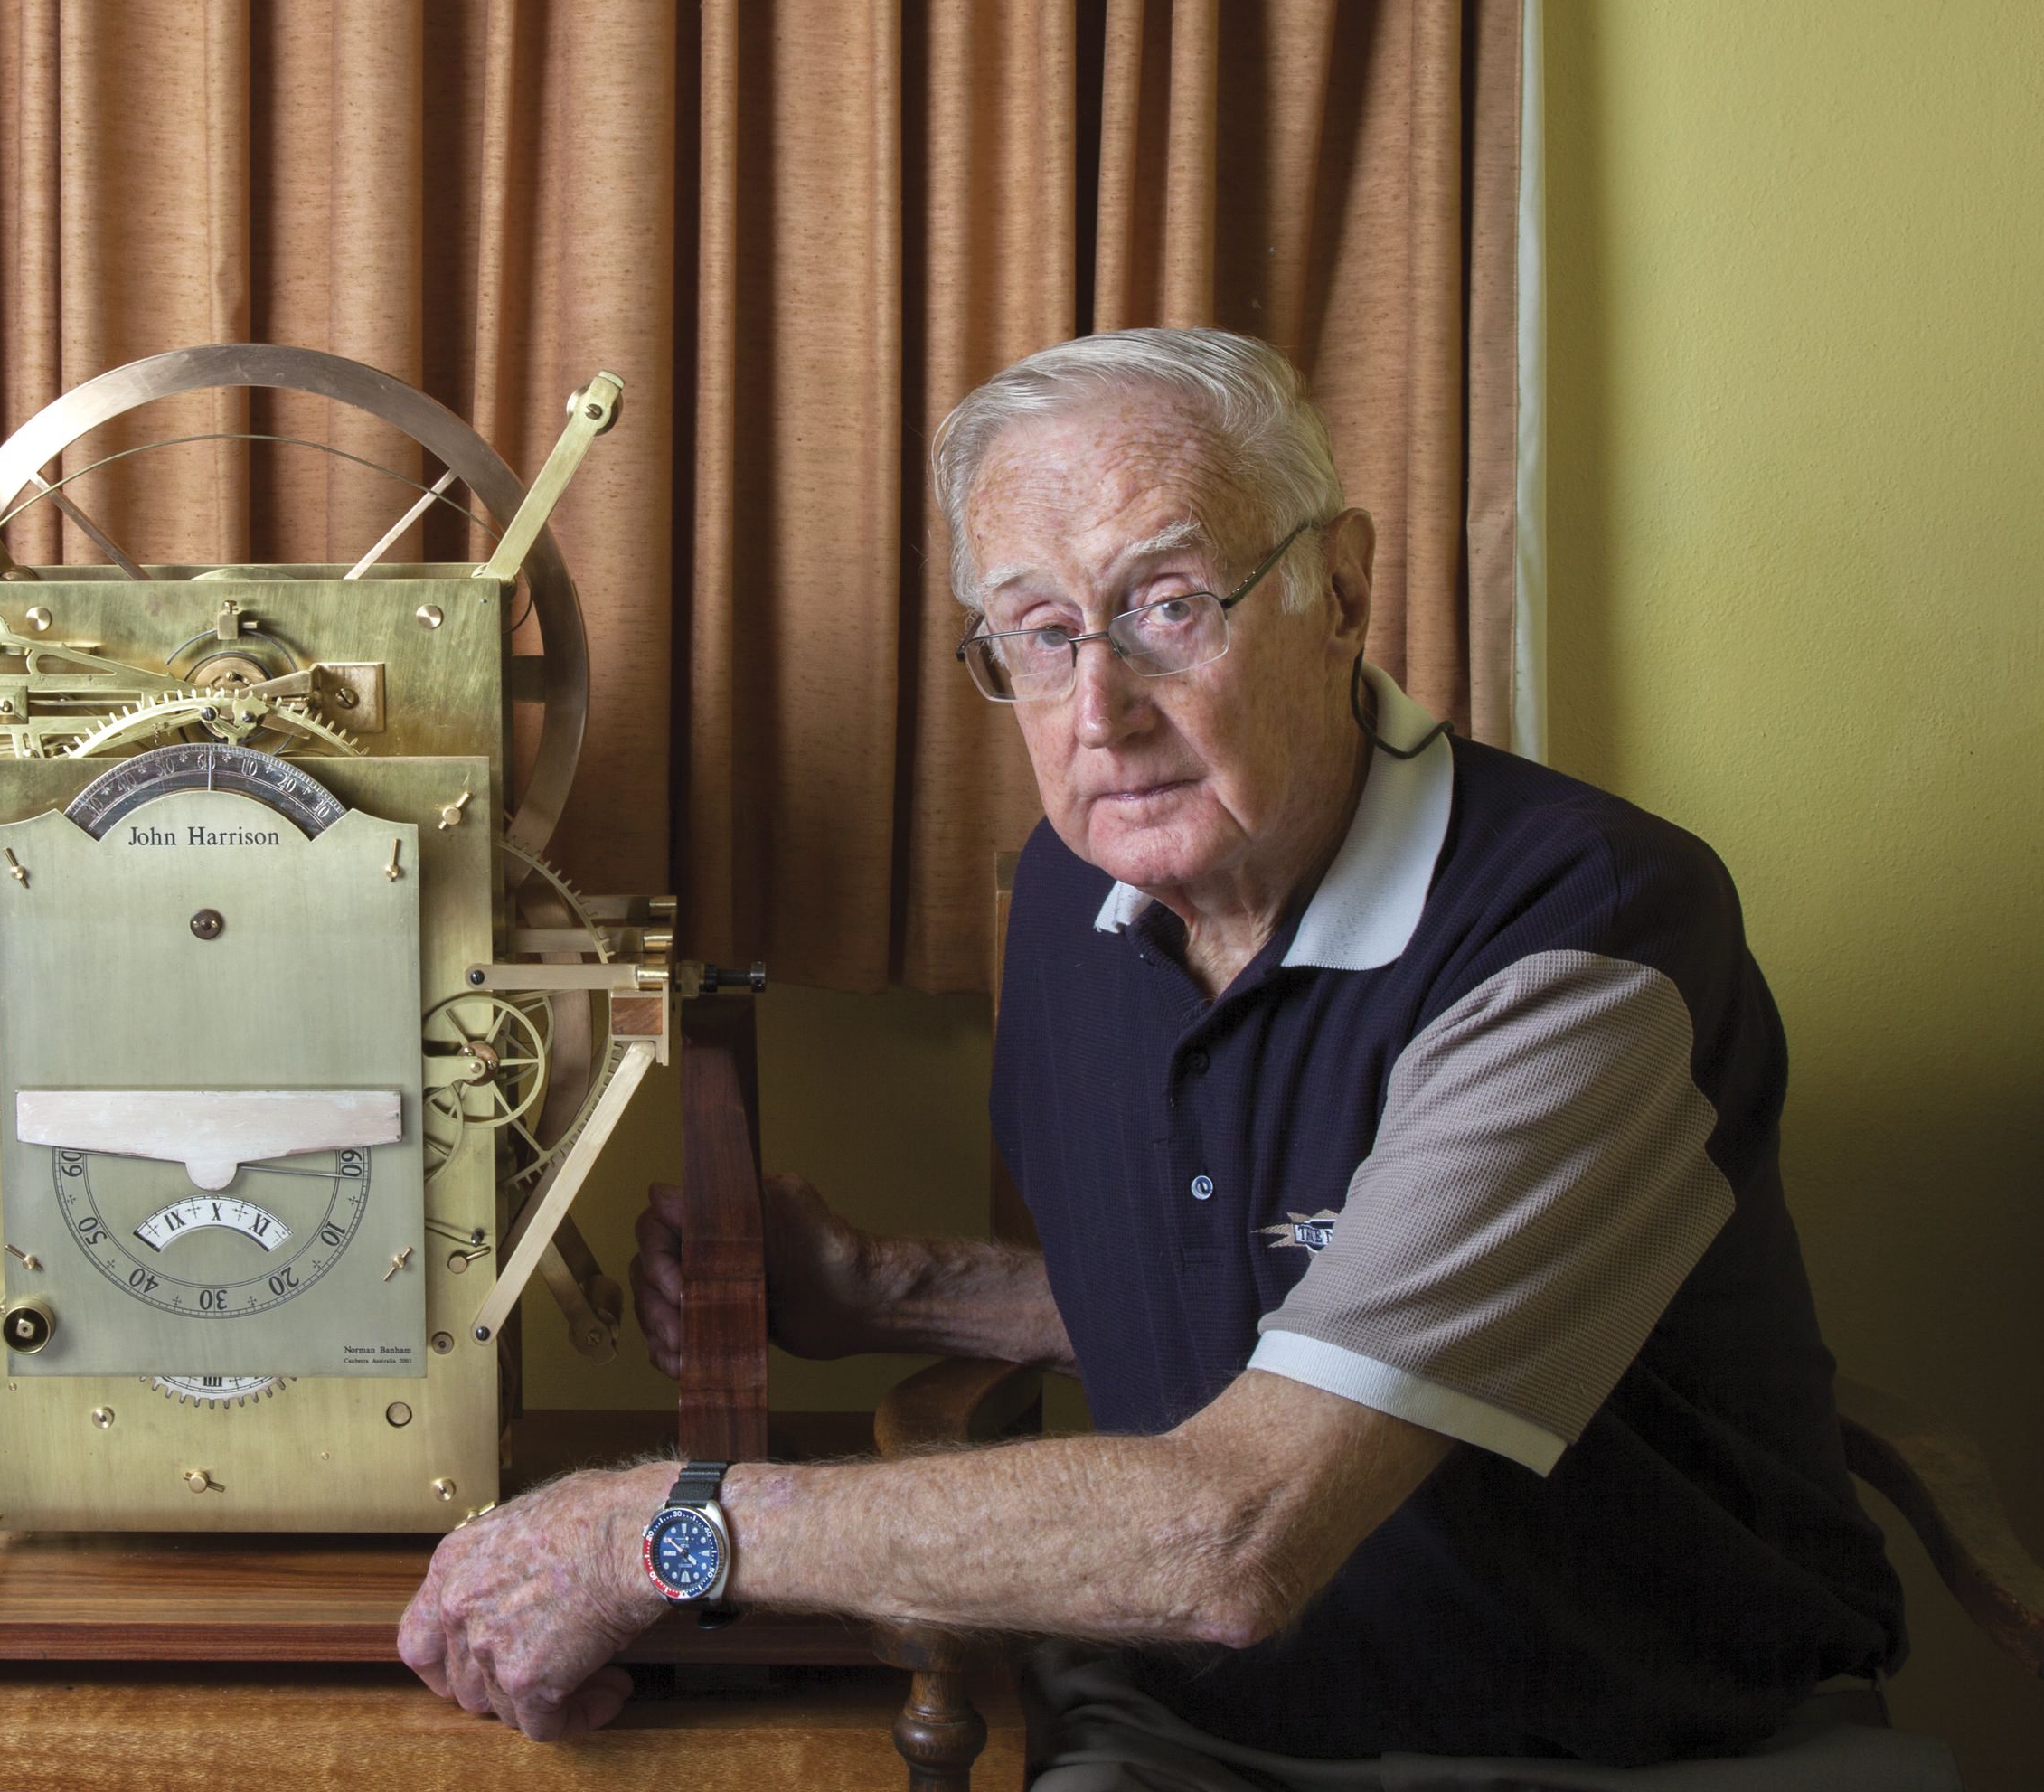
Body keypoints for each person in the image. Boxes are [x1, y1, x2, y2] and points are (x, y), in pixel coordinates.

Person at [398, 329, 1955, 1788]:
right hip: (1202, 1742)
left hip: (1645, 1752)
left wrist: (656, 1532)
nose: (1101, 712)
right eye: (1039, 631)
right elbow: (1263, 1288)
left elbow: (1236, 1532)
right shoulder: (1083, 893)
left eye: (1169, 605)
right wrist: (888, 1293)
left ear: (1341, 589)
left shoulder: (1585, 939)